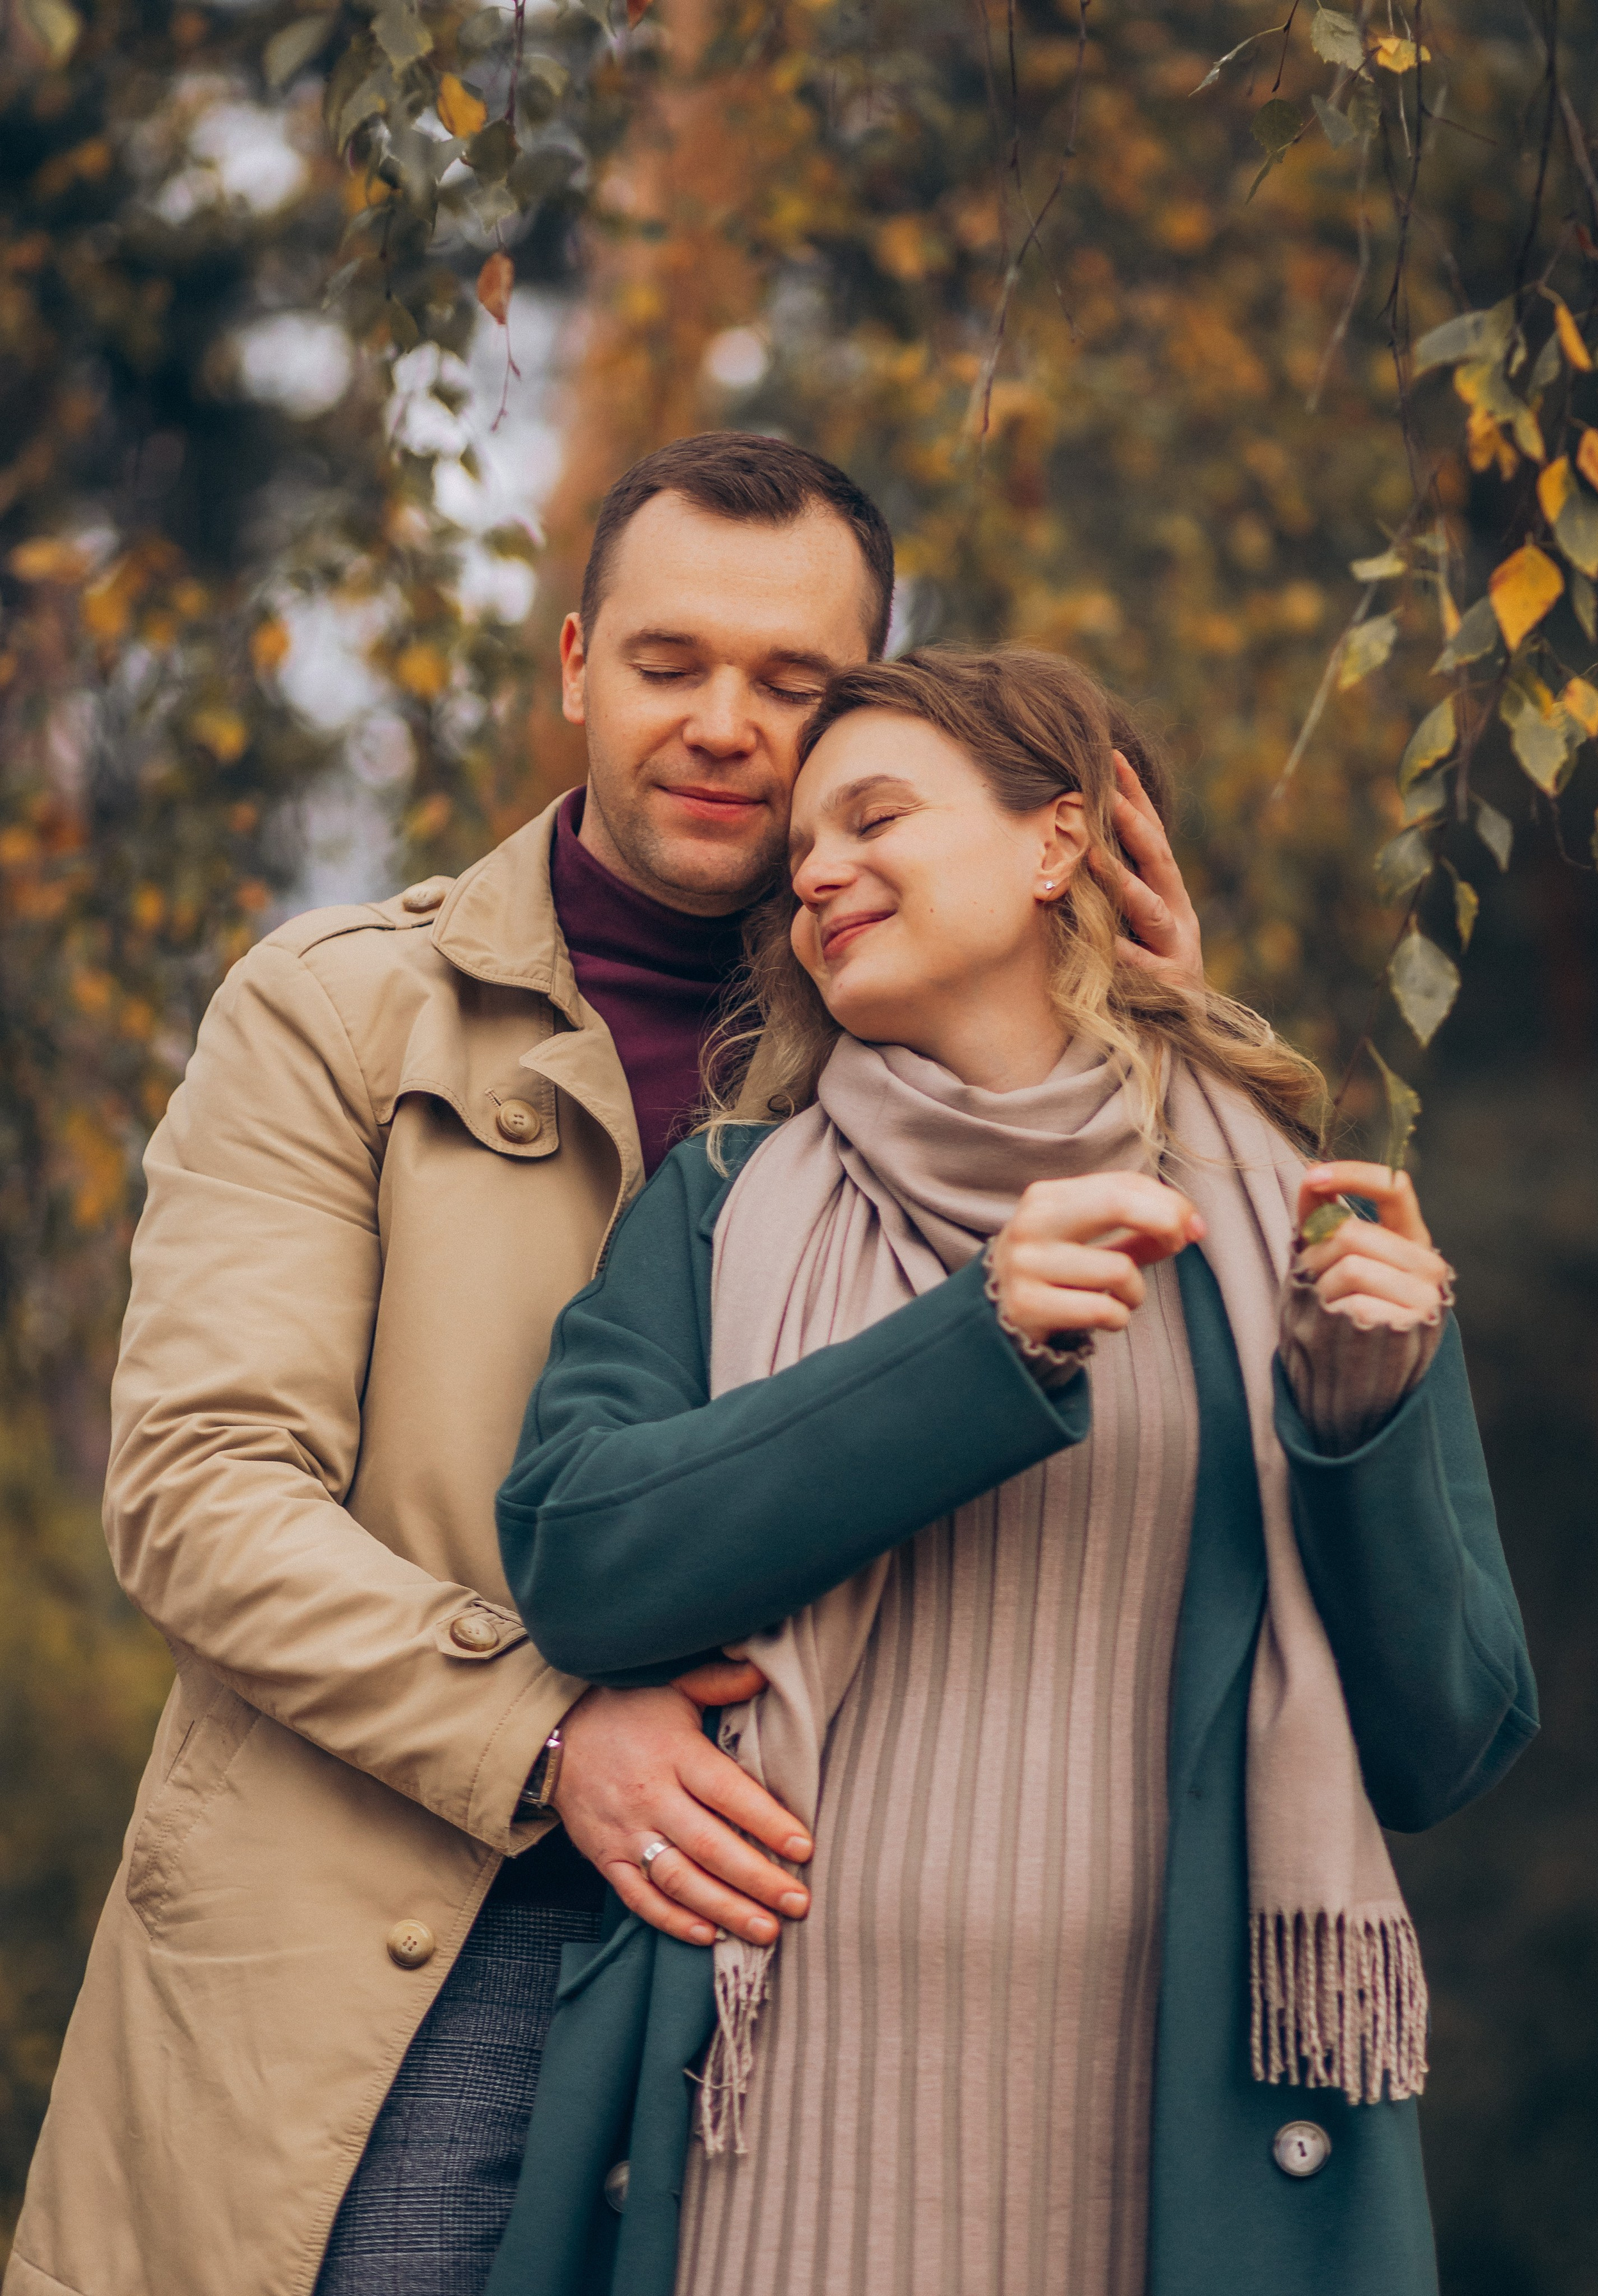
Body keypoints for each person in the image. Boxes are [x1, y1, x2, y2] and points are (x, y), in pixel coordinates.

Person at [1, 439, 1205, 2296]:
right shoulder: (338, 1008)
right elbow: (199, 1498)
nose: (727, 724)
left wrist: (1135, 1020)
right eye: (670, 665)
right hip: (404, 1940)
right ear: (575, 665)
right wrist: (547, 1739)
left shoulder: (928, 1028)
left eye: (794, 687)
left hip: (841, 1961)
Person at [491, 648, 1537, 2296]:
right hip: (771, 2136)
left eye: (875, 815)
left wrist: (1360, 1420)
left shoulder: (1288, 1224)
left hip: (1170, 2146)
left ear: (1056, 843)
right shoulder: (720, 1202)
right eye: (801, 850)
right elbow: (576, 1555)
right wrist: (969, 1353)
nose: (818, 866)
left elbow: (1446, 1734)